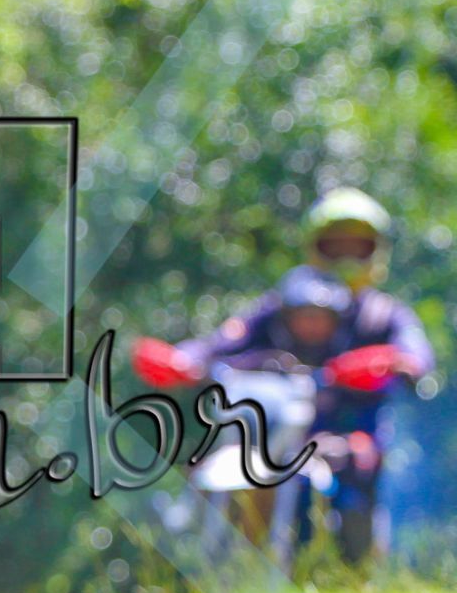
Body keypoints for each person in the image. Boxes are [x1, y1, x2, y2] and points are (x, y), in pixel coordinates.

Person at [132, 190, 434, 561]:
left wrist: (395, 362)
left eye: (356, 248)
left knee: (355, 461)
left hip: (346, 429)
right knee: (207, 453)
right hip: (274, 427)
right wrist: (182, 360)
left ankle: (355, 561)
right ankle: (194, 545)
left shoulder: (384, 314)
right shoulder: (281, 305)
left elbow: (416, 356)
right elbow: (223, 341)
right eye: (335, 247)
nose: (345, 258)